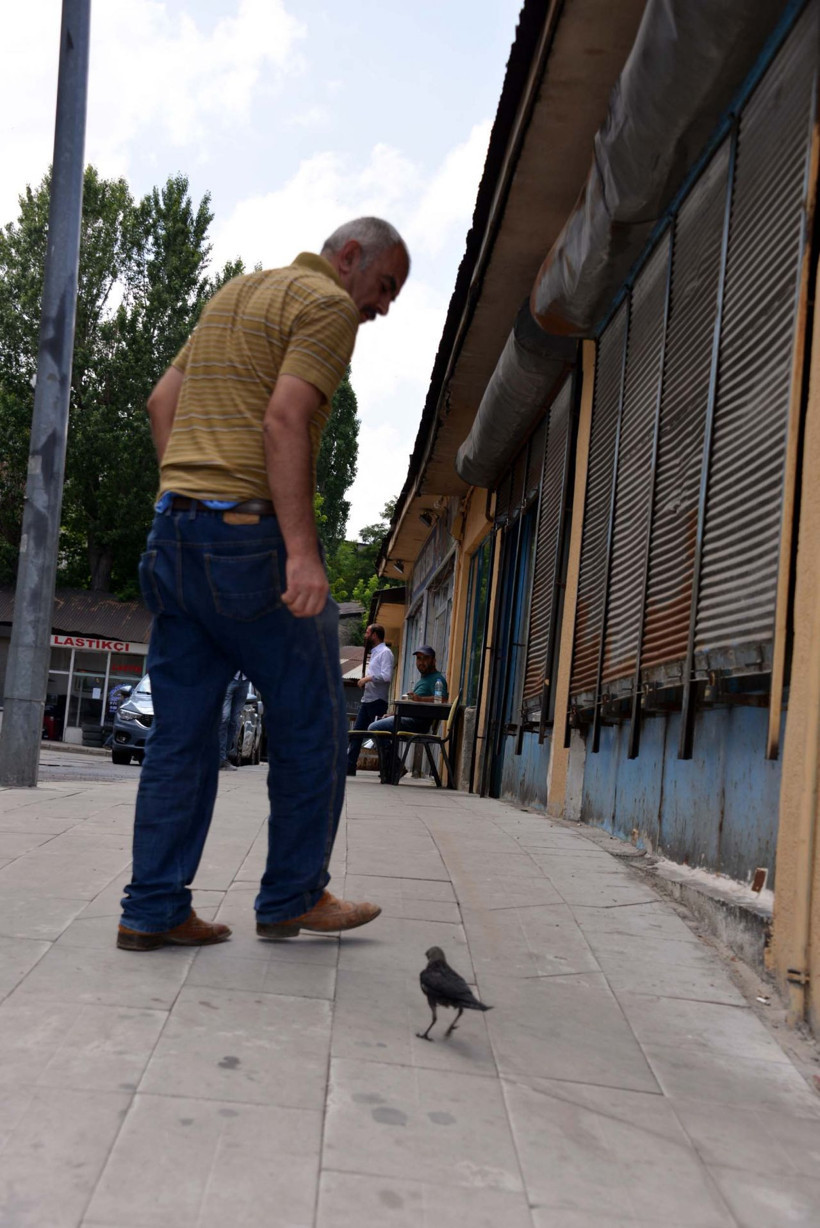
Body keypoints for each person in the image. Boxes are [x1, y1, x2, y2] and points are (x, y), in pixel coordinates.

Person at [116, 217, 410, 951]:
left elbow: (162, 403)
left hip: (174, 537)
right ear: (349, 258)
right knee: (312, 720)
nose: (382, 307)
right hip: (250, 547)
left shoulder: (234, 294)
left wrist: (189, 495)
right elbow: (285, 421)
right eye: (383, 286)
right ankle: (292, 895)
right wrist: (303, 555)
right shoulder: (325, 306)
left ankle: (151, 910)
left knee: (180, 735)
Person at [367, 645, 448, 781]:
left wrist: (420, 699)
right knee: (378, 726)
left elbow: (443, 700)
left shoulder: (437, 679)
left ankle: (394, 767)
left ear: (434, 661)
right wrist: (394, 715)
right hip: (408, 719)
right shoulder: (423, 680)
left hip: (418, 723)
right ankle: (392, 769)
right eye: (419, 659)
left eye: (425, 659)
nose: (421, 662)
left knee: (374, 728)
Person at [346, 624, 394, 777]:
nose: (365, 635)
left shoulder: (385, 653)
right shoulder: (375, 653)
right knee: (356, 733)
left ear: (375, 634)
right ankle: (349, 766)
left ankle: (392, 765)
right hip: (368, 700)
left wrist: (367, 679)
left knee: (380, 736)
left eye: (367, 632)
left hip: (377, 701)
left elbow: (386, 677)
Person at [218, 671, 250, 771]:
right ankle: (219, 758)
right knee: (224, 718)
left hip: (244, 681)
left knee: (234, 722)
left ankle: (224, 759)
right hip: (229, 679)